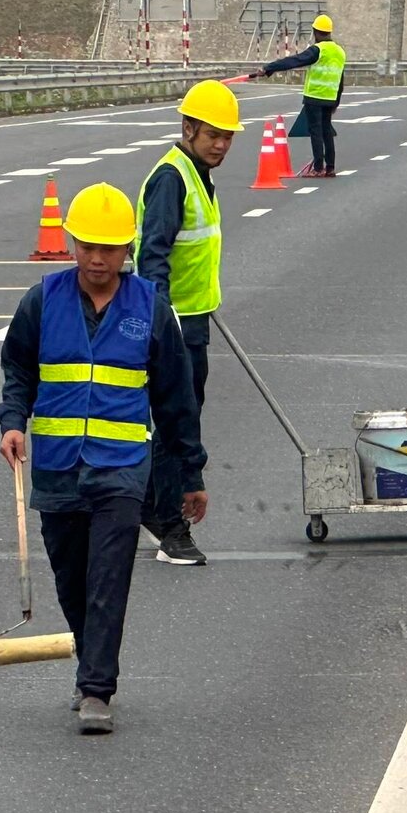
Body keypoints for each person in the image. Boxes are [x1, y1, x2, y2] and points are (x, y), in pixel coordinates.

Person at [0, 183, 208, 735]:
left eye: (110, 248)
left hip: (120, 468)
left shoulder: (150, 309)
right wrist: (12, 423)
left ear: (127, 250)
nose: (97, 257)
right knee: (71, 578)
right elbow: (18, 371)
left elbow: (175, 399)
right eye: (88, 245)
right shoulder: (42, 301)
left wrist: (190, 473)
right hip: (58, 467)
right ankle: (91, 663)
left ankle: (96, 688)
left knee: (108, 578)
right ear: (71, 243)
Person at [133, 78, 237, 566]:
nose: (220, 144)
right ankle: (169, 524)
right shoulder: (172, 178)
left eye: (227, 136)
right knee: (179, 421)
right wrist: (164, 321)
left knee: (181, 416)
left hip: (193, 318)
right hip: (172, 325)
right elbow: (151, 256)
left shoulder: (197, 174)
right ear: (188, 126)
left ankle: (155, 509)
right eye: (213, 134)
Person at [258, 14, 345, 177]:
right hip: (330, 98)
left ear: (316, 32)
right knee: (326, 131)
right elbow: (341, 80)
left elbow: (295, 61)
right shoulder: (340, 52)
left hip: (314, 97)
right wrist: (336, 102)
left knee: (316, 131)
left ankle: (318, 168)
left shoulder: (318, 50)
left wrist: (270, 67)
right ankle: (330, 167)